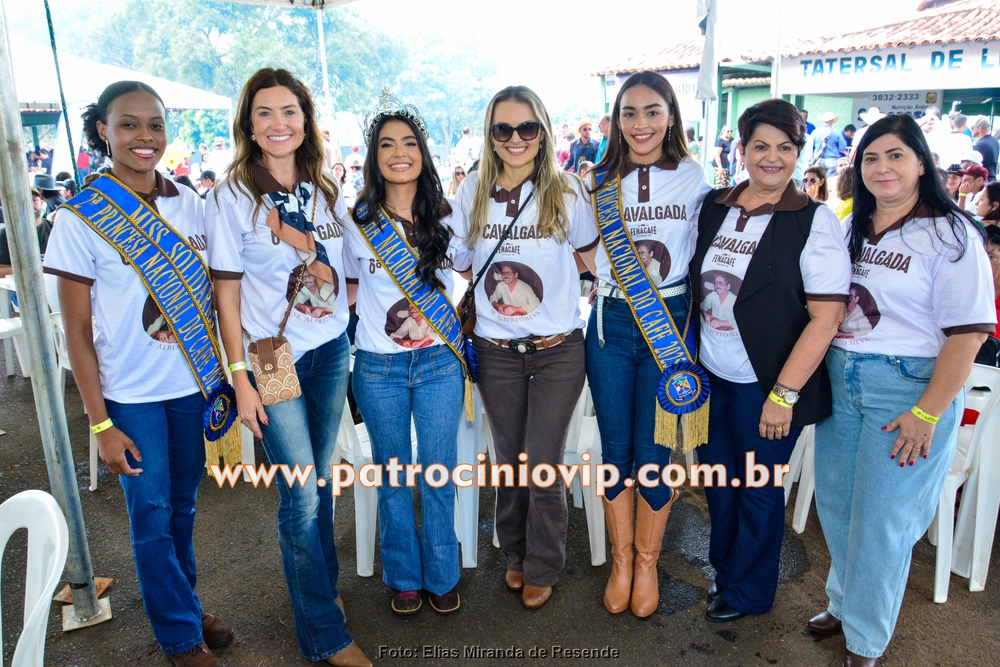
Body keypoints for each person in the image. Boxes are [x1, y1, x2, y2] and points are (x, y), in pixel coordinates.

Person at [43, 81, 237, 667]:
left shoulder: (191, 203)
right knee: (151, 515)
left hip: (190, 387)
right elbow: (77, 333)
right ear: (103, 131)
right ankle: (180, 636)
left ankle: (184, 605)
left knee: (182, 507)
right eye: (128, 124)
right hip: (130, 396)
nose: (144, 137)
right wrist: (101, 424)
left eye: (155, 124)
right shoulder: (79, 218)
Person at [809, 113, 996, 667]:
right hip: (842, 379)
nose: (881, 167)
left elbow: (969, 333)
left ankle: (865, 639)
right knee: (837, 505)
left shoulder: (952, 233)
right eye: (870, 157)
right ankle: (844, 603)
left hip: (907, 389)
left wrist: (928, 412)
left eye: (895, 155)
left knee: (882, 521)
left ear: (921, 163)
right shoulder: (850, 225)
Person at [205, 68, 370, 667]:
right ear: (249, 124)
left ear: (306, 120)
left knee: (320, 479)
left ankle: (319, 590)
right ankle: (323, 634)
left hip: (330, 348)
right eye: (265, 113)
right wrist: (240, 377)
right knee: (300, 494)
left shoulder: (324, 187)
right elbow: (225, 296)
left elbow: (348, 267)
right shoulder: (230, 198)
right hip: (272, 357)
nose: (279, 124)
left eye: (290, 112)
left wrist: (339, 310)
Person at [690, 98, 851, 623]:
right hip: (710, 376)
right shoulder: (715, 206)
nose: (772, 158)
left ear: (799, 153)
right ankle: (725, 575)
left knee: (757, 488)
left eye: (785, 147)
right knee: (719, 483)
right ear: (742, 149)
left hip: (768, 384)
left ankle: (749, 593)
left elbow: (826, 318)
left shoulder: (813, 221)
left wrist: (784, 395)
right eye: (760, 146)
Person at [453, 85, 599, 610]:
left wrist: (561, 286)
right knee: (509, 459)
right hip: (495, 350)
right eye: (503, 129)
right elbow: (461, 261)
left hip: (558, 350)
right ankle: (514, 552)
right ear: (490, 134)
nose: (515, 138)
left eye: (526, 128)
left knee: (542, 461)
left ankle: (544, 563)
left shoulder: (569, 190)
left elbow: (592, 259)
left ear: (543, 131)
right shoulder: (472, 189)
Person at [587, 70, 713, 618]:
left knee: (655, 452)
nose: (641, 123)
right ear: (616, 121)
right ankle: (620, 562)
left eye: (653, 111)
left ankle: (646, 563)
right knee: (616, 450)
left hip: (669, 320)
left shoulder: (693, 175)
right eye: (629, 113)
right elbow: (580, 247)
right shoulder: (597, 180)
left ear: (671, 116)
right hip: (611, 323)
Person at [346, 95, 470, 617]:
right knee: (393, 474)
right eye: (387, 145)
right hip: (378, 367)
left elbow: (471, 272)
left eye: (409, 143)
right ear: (374, 157)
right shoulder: (356, 219)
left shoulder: (449, 213)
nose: (399, 153)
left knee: (438, 471)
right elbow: (347, 290)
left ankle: (442, 573)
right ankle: (403, 575)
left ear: (424, 153)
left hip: (439, 363)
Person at [0, 188, 50, 278]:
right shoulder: (5, 234)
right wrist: (31, 266)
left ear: (42, 203)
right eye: (22, 200)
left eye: (33, 200)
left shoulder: (55, 228)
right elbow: (1, 270)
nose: (28, 204)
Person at [972, 117, 998, 181]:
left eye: (973, 127)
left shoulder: (981, 145)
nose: (971, 130)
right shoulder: (994, 140)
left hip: (983, 180)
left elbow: (974, 167)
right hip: (992, 178)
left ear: (980, 129)